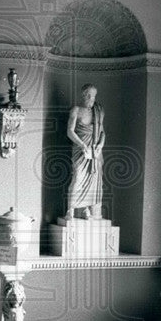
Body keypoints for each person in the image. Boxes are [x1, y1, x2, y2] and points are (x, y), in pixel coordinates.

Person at [65, 83, 105, 220]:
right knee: (78, 178)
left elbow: (102, 132)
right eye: (88, 95)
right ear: (83, 95)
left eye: (93, 96)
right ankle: (70, 209)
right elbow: (70, 131)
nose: (91, 98)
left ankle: (85, 209)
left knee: (92, 180)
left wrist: (100, 145)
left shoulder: (97, 112)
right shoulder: (76, 110)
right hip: (80, 151)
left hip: (94, 152)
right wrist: (82, 145)